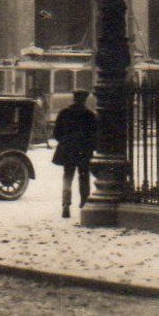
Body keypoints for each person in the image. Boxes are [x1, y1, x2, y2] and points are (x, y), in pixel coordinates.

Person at [52, 89, 97, 219]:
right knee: (84, 178)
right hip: (84, 151)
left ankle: (65, 205)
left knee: (67, 177)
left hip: (68, 150)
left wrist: (65, 142)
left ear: (74, 98)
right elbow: (94, 136)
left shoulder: (64, 113)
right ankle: (84, 203)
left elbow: (56, 133)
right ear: (85, 100)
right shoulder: (89, 115)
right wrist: (90, 147)